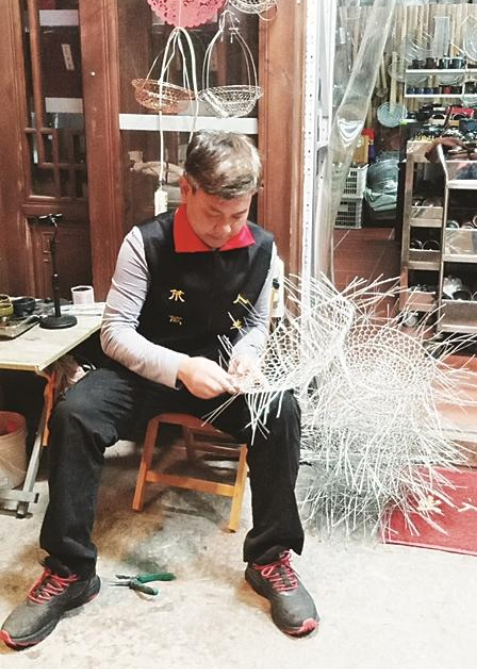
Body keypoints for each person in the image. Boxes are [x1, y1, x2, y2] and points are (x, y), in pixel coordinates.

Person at [0, 131, 319, 650]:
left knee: (280, 411)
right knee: (75, 413)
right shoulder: (145, 241)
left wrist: (249, 354)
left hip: (219, 374)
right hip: (145, 370)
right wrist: (181, 367)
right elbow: (115, 333)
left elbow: (256, 323)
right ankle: (70, 570)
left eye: (238, 214)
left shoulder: (261, 247)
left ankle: (269, 558)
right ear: (186, 188)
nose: (226, 228)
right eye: (214, 213)